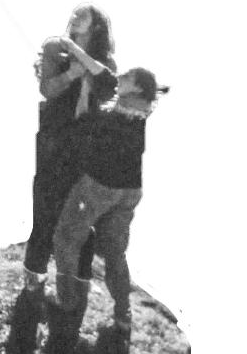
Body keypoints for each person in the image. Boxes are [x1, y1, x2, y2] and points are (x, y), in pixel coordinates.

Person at [43, 66, 173, 354]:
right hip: (130, 190)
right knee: (115, 253)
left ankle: (65, 300)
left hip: (100, 187)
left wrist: (85, 89)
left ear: (136, 87)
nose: (119, 79)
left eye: (125, 77)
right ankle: (123, 316)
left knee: (66, 240)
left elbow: (82, 123)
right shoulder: (142, 113)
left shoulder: (115, 114)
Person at [21, 2, 119, 299]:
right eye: (73, 14)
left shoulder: (107, 62)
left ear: (97, 26)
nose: (74, 18)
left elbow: (108, 95)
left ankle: (79, 278)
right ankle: (35, 271)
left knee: (80, 210)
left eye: (82, 16)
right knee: (44, 202)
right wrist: (70, 75)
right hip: (54, 136)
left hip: (87, 142)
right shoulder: (55, 47)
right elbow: (47, 90)